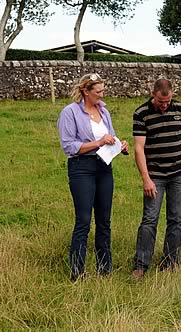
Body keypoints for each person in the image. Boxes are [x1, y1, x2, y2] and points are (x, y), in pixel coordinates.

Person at [57, 73, 129, 281]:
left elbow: (111, 136)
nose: (102, 94)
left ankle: (105, 269)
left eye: (103, 90)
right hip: (82, 168)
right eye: (98, 92)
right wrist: (98, 143)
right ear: (85, 91)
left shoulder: (104, 112)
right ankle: (77, 272)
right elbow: (69, 146)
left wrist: (120, 145)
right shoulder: (69, 113)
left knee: (104, 220)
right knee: (84, 220)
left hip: (104, 167)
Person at [132, 79, 181, 280]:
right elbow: (138, 148)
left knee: (176, 219)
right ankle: (141, 264)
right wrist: (146, 179)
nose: (164, 105)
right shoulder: (141, 113)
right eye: (160, 101)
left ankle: (170, 262)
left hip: (178, 174)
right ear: (152, 93)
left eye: (167, 101)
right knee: (149, 219)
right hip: (155, 176)